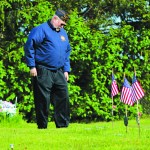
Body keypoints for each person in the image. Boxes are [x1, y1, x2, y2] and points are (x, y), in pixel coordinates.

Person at [24, 9, 71, 129]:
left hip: (59, 71)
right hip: (43, 70)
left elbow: (66, 52)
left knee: (63, 97)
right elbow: (29, 47)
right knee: (43, 99)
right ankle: (42, 126)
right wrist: (32, 66)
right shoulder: (41, 29)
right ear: (55, 19)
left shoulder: (63, 33)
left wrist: (66, 70)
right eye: (61, 23)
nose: (62, 25)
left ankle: (62, 126)